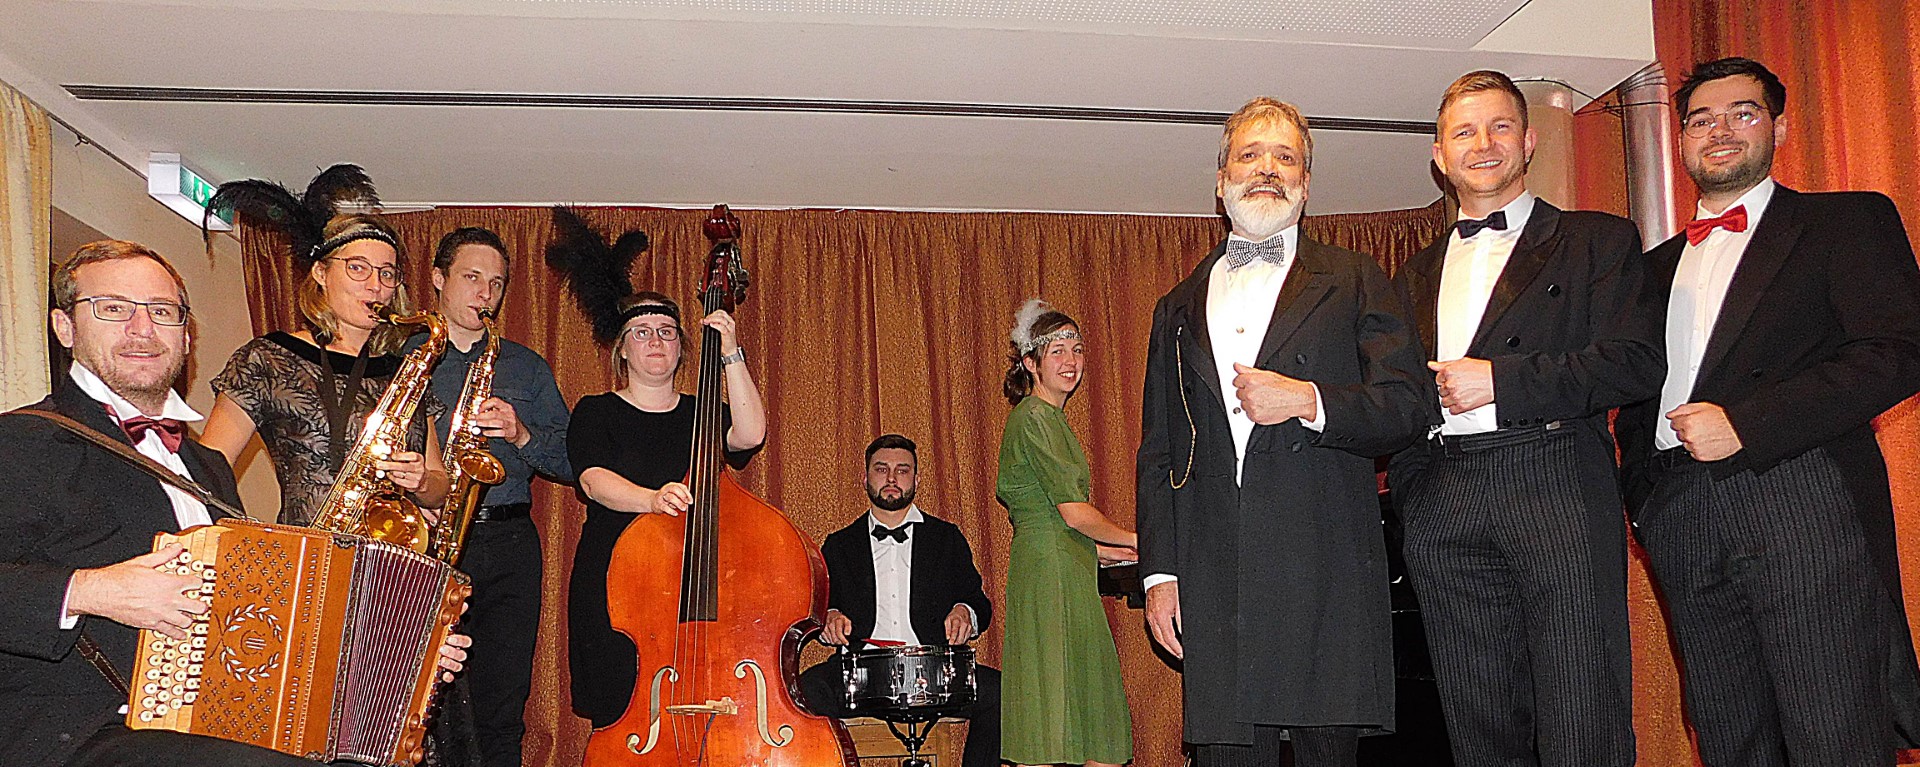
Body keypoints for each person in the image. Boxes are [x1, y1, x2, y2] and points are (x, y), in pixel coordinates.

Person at [0, 240, 466, 767]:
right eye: (113, 308)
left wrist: (405, 649)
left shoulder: (206, 467)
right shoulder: (21, 441)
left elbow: (258, 616)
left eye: (162, 311)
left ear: (186, 335)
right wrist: (91, 590)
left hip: (217, 722)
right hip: (78, 732)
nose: (142, 329)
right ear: (65, 327)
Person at [1616, 56, 1920, 766]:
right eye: (1701, 120)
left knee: (1832, 731)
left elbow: (1899, 349)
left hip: (1800, 495)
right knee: (1729, 737)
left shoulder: (1844, 220)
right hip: (1680, 512)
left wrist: (1747, 424)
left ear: (1779, 128)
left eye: (1742, 113)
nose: (1719, 131)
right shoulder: (1649, 267)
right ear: (1681, 139)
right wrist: (1645, 499)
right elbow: (1633, 396)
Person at [1134, 97, 1430, 767]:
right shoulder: (1176, 304)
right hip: (1214, 575)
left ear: (1306, 182)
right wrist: (1160, 574)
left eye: (1285, 157)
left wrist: (1309, 400)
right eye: (1250, 154)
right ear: (1221, 180)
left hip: (1321, 563)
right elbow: (1160, 451)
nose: (1268, 168)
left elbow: (1409, 405)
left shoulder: (1356, 278)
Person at [1385, 70, 1660, 766]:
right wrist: (1417, 496)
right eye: (1464, 132)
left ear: (1529, 141)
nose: (1483, 144)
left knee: (1582, 710)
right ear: (1440, 156)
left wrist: (1500, 382)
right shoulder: (1410, 274)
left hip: (1555, 477)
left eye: (1499, 126)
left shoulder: (1598, 240)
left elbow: (1634, 362)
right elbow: (1398, 398)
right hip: (1444, 494)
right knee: (1479, 724)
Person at [409, 226, 574, 767]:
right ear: (439, 279)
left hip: (507, 542)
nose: (485, 293)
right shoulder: (399, 357)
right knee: (415, 701)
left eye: (496, 283)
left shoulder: (525, 365)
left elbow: (572, 462)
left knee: (502, 702)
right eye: (472, 277)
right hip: (422, 539)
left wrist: (521, 434)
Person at [564, 291, 766, 727]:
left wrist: (730, 352)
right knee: (619, 710)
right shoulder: (596, 411)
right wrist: (652, 500)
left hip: (691, 581)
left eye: (667, 332)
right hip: (616, 582)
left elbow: (750, 435)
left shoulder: (702, 413)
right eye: (641, 333)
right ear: (622, 349)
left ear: (681, 347)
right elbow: (593, 481)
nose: (655, 341)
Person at [200, 212, 451, 525]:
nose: (375, 286)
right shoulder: (269, 358)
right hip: (307, 546)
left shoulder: (406, 373)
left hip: (392, 551)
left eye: (387, 273)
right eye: (357, 268)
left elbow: (439, 487)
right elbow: (209, 469)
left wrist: (422, 481)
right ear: (321, 272)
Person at [798, 434, 1002, 767]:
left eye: (902, 470)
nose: (892, 478)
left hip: (935, 671)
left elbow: (979, 603)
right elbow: (817, 609)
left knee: (1000, 693)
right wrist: (829, 618)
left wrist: (964, 612)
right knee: (803, 692)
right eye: (882, 469)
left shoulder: (946, 538)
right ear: (865, 478)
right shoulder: (840, 545)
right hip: (859, 673)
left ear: (916, 479)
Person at [995, 299, 1137, 767]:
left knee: (1084, 713)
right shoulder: (1034, 416)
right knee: (1052, 713)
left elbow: (1067, 524)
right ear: (1030, 363)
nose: (1071, 360)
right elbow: (1073, 514)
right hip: (1050, 573)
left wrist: (1110, 552)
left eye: (1077, 349)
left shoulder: (1051, 419)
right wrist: (1137, 540)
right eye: (1057, 351)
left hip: (1068, 567)